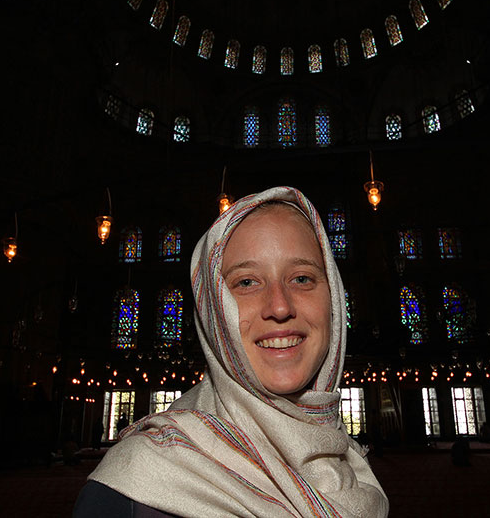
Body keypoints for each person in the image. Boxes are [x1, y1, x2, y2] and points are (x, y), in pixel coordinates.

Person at [74, 187, 388, 516]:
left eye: (302, 278)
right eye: (247, 282)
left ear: (334, 298)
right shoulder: (130, 492)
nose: (280, 306)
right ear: (213, 310)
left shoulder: (353, 468)